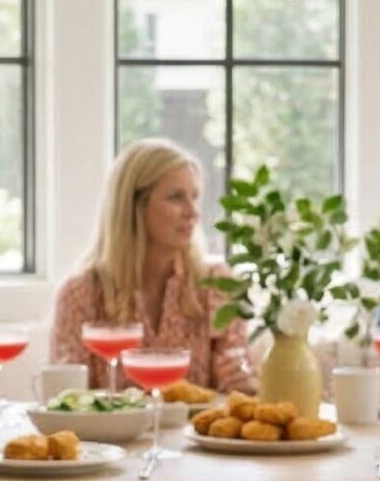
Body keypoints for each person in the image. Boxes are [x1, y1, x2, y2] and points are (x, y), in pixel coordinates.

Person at [49, 139, 254, 393]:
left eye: (195, 197)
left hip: (191, 433)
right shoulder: (81, 294)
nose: (193, 213)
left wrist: (241, 379)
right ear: (135, 206)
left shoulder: (216, 284)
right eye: (176, 197)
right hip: (111, 435)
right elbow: (68, 400)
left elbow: (236, 391)